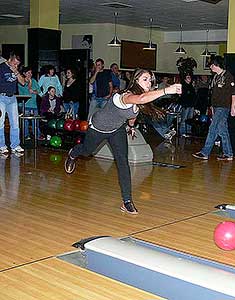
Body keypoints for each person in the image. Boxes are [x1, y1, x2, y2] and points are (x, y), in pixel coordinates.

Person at [64, 69, 182, 214]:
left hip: (117, 130)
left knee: (123, 162)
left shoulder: (138, 99)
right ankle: (73, 153)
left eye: (150, 80)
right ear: (136, 80)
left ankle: (127, 201)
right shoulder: (124, 96)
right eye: (145, 79)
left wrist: (131, 127)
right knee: (87, 152)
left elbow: (133, 114)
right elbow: (140, 99)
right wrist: (166, 90)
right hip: (98, 127)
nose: (149, 82)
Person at [192, 56, 235, 161]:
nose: (210, 67)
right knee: (222, 130)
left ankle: (205, 152)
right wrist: (212, 106)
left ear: (217, 65)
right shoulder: (216, 77)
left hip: (223, 107)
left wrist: (233, 107)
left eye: (212, 65)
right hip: (216, 107)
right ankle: (228, 153)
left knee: (212, 128)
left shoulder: (228, 76)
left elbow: (234, 92)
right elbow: (214, 94)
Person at [0, 52, 25, 154]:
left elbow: (23, 82)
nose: (16, 66)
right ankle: (1, 145)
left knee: (15, 123)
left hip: (12, 98)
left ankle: (15, 145)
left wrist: (16, 72)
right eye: (14, 63)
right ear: (10, 59)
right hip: (1, 97)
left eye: (18, 64)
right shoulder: (1, 68)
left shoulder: (16, 69)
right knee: (0, 123)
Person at [18, 66, 42, 140]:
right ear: (24, 73)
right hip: (25, 104)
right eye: (28, 73)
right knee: (25, 121)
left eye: (31, 73)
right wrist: (30, 82)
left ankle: (37, 135)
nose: (30, 74)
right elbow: (28, 91)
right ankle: (26, 135)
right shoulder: (21, 81)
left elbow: (39, 91)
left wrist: (34, 91)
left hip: (34, 104)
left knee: (35, 120)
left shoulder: (34, 80)